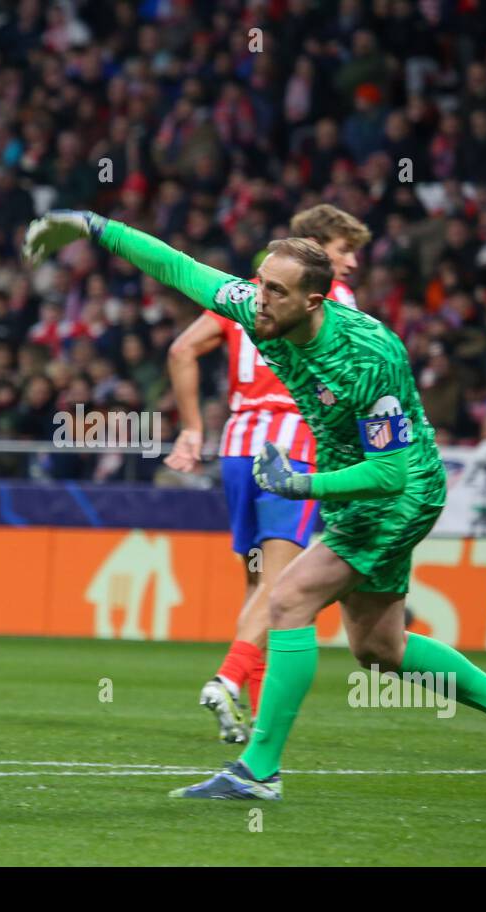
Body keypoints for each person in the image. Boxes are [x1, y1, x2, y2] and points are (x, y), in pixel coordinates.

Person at [24, 211, 486, 806]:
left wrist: (299, 484)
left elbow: (389, 471)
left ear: (313, 301)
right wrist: (92, 226)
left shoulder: (368, 355)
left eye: (275, 292)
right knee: (380, 649)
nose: (259, 300)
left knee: (286, 598)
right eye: (259, 283)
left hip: (397, 492)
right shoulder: (255, 308)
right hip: (351, 483)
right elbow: (177, 267)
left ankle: (258, 770)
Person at [165, 204, 369, 744]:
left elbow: (183, 349)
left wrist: (190, 429)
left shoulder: (245, 294)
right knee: (283, 586)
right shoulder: (329, 302)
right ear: (317, 247)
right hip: (291, 449)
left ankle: (250, 719)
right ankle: (228, 678)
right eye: (344, 250)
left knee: (260, 584)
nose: (350, 263)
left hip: (236, 449)